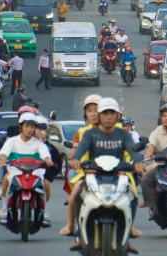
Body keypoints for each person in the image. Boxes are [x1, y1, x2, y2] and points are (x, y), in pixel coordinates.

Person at [68, 98, 143, 252]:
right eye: (105, 113)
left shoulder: (124, 135)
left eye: (112, 113)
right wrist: (75, 159)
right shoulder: (90, 134)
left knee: (133, 194)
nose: (108, 116)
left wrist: (138, 162)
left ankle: (129, 231)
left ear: (118, 116)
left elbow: (133, 151)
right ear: (100, 115)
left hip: (119, 174)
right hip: (93, 174)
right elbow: (81, 149)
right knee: (76, 193)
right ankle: (76, 231)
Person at [0, 112, 54, 225]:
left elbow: (45, 154)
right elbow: (4, 153)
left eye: (32, 127)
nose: (29, 129)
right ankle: (4, 209)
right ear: (20, 127)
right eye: (27, 126)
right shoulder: (12, 141)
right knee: (6, 179)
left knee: (46, 183)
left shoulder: (39, 143)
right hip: (16, 170)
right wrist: (2, 159)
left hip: (36, 171)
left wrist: (48, 160)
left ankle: (45, 211)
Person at [60, 94, 102, 236]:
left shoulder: (112, 131)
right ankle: (71, 224)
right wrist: (74, 158)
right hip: (86, 171)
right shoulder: (81, 132)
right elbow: (73, 153)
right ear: (85, 114)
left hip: (108, 171)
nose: (93, 114)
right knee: (74, 190)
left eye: (96, 110)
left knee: (129, 192)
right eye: (90, 111)